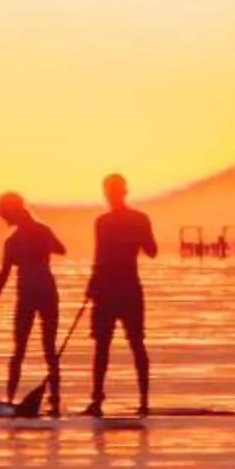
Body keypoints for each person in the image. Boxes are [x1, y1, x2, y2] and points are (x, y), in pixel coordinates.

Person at [0, 191, 66, 411]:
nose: (4, 220)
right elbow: (60, 249)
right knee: (40, 348)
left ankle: (19, 399)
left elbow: (60, 250)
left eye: (4, 215)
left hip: (33, 294)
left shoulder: (16, 240)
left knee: (25, 348)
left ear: (13, 212)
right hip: (44, 292)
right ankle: (44, 400)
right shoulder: (32, 234)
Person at [86, 172, 157, 416]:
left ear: (121, 193)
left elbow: (152, 250)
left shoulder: (135, 219)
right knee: (103, 346)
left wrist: (134, 236)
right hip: (109, 288)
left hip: (125, 288)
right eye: (108, 193)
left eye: (112, 193)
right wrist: (92, 283)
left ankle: (144, 400)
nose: (110, 197)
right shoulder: (104, 222)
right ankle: (97, 399)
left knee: (134, 343)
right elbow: (99, 256)